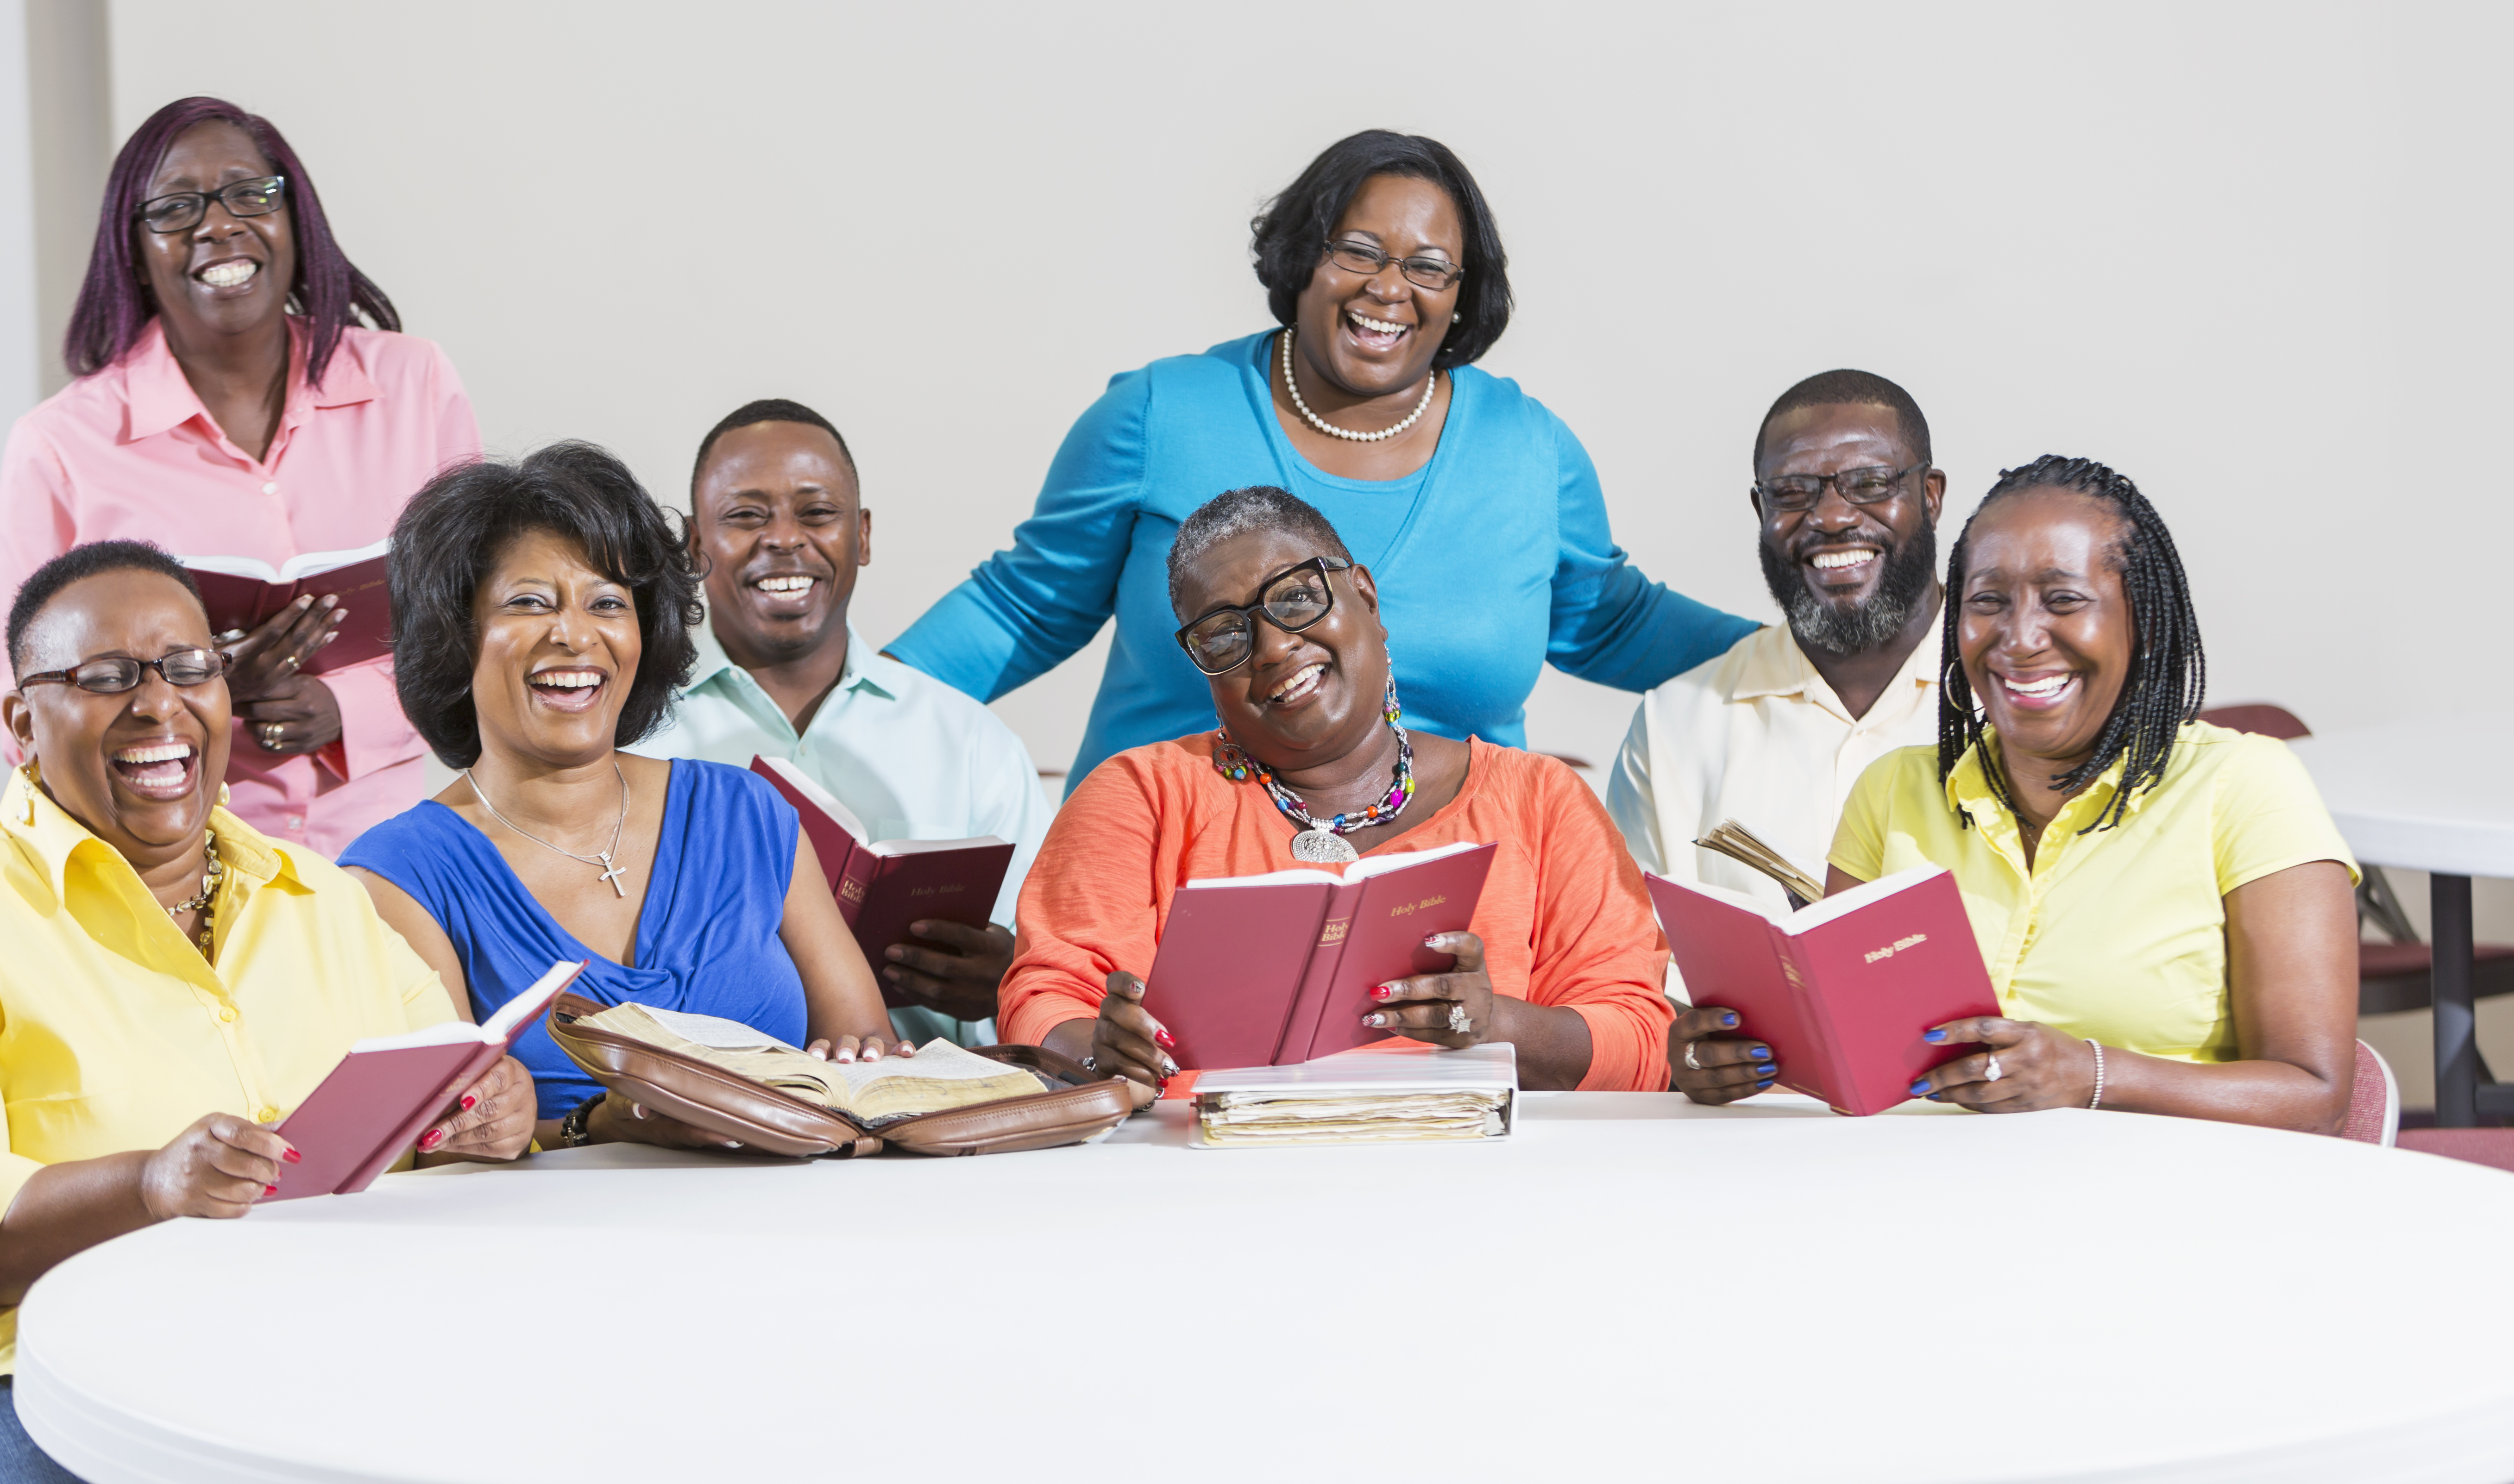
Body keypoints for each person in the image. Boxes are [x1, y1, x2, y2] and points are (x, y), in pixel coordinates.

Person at [0, 540, 527, 1484]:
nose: (157, 705)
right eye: (108, 677)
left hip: (262, 1352)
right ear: (23, 726)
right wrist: (145, 1184)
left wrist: (487, 1108)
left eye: (190, 668)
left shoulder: (323, 899)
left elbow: (437, 1080)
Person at [888, 129, 1757, 792]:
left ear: (1462, 299)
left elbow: (1614, 622)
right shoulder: (1163, 415)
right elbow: (1023, 607)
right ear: (1305, 256)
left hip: (1447, 901)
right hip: (1161, 875)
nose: (1389, 289)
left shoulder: (1528, 451)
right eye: (1358, 251)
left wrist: (1821, 662)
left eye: (1428, 267)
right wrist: (825, 719)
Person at [1670, 457, 2361, 1128]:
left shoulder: (2245, 787)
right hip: (1929, 1202)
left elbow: (2314, 1096)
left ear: (2141, 622)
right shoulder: (1894, 790)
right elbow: (1859, 1063)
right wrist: (1735, 1062)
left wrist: (2090, 1076)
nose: (2019, 638)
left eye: (2064, 601)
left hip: (2167, 1214)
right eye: (1988, 603)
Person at [1002, 486, 1673, 1093]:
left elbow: (1641, 1041)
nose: (1270, 648)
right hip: (1211, 1189)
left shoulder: (1541, 801)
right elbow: (1043, 999)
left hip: (1476, 1190)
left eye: (1295, 598)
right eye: (1226, 634)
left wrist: (1496, 1025)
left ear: (1367, 599)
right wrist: (1101, 1051)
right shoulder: (1140, 797)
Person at [340, 442, 909, 1152]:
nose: (574, 635)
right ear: (457, 637)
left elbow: (868, 1053)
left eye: (608, 603)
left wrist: (863, 1075)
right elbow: (444, 1141)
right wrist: (593, 1127)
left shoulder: (748, 816)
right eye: (528, 603)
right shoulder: (399, 876)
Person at [0, 95, 483, 858]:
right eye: (176, 208)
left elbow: (483, 632)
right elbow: (21, 715)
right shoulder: (58, 447)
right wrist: (201, 697)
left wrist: (345, 708)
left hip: (393, 864)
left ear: (296, 220)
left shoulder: (414, 385)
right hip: (173, 877)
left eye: (250, 194)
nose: (219, 225)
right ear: (134, 251)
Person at [634, 399, 1052, 1048]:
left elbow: (1061, 968)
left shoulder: (971, 744)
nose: (783, 539)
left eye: (817, 513)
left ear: (862, 535)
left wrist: (1009, 980)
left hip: (931, 1115)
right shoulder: (631, 738)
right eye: (746, 516)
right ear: (693, 547)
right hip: (705, 1120)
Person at [1611, 370, 1944, 923]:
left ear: (1930, 497)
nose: (1833, 517)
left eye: (1870, 484)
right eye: (1792, 493)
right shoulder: (1673, 725)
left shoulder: (2023, 700)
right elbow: (1623, 968)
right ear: (1760, 511)